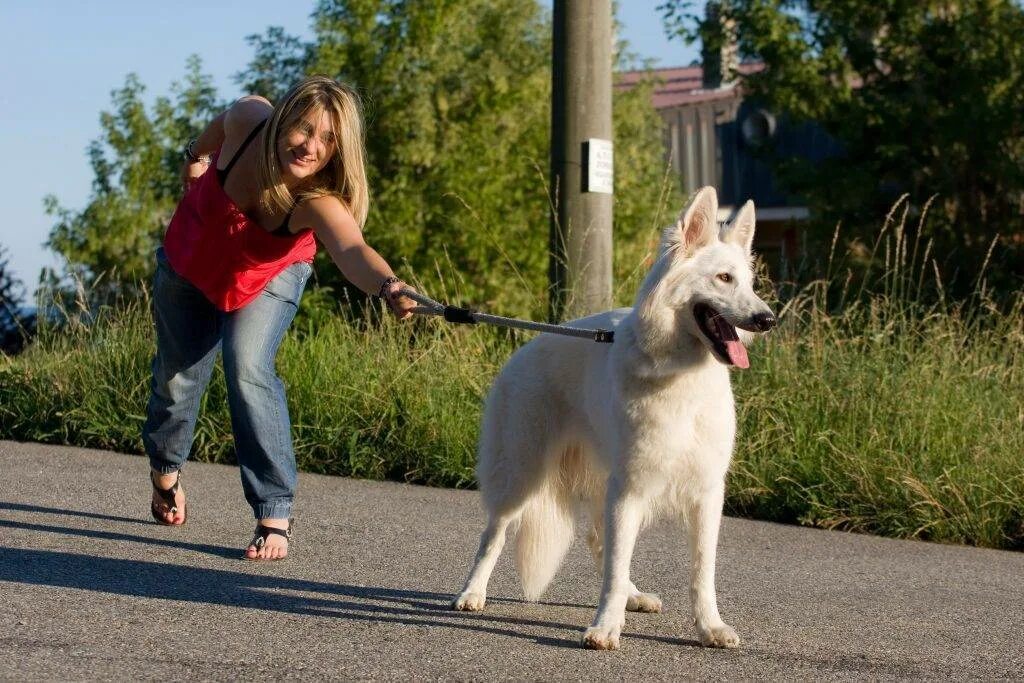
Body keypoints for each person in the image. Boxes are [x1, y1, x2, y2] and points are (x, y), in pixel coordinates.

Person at [142, 75, 415, 560]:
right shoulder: (249, 119)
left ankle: (273, 511)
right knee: (177, 377)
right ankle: (165, 470)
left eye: (328, 139)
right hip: (193, 258)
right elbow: (214, 131)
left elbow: (353, 249)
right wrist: (196, 158)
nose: (311, 146)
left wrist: (389, 284)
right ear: (282, 118)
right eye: (304, 129)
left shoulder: (317, 200)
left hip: (266, 274)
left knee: (247, 366)